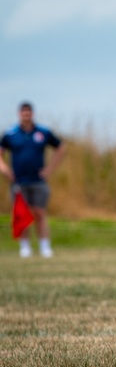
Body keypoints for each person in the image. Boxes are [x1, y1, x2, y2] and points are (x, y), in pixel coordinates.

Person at [0, 102, 66, 258]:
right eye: (23, 113)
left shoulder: (43, 132)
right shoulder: (11, 134)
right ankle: (25, 247)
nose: (26, 115)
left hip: (38, 181)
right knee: (21, 215)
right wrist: (5, 170)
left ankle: (45, 246)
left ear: (32, 114)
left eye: (28, 113)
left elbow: (61, 147)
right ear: (19, 114)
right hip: (18, 182)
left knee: (39, 212)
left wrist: (50, 169)